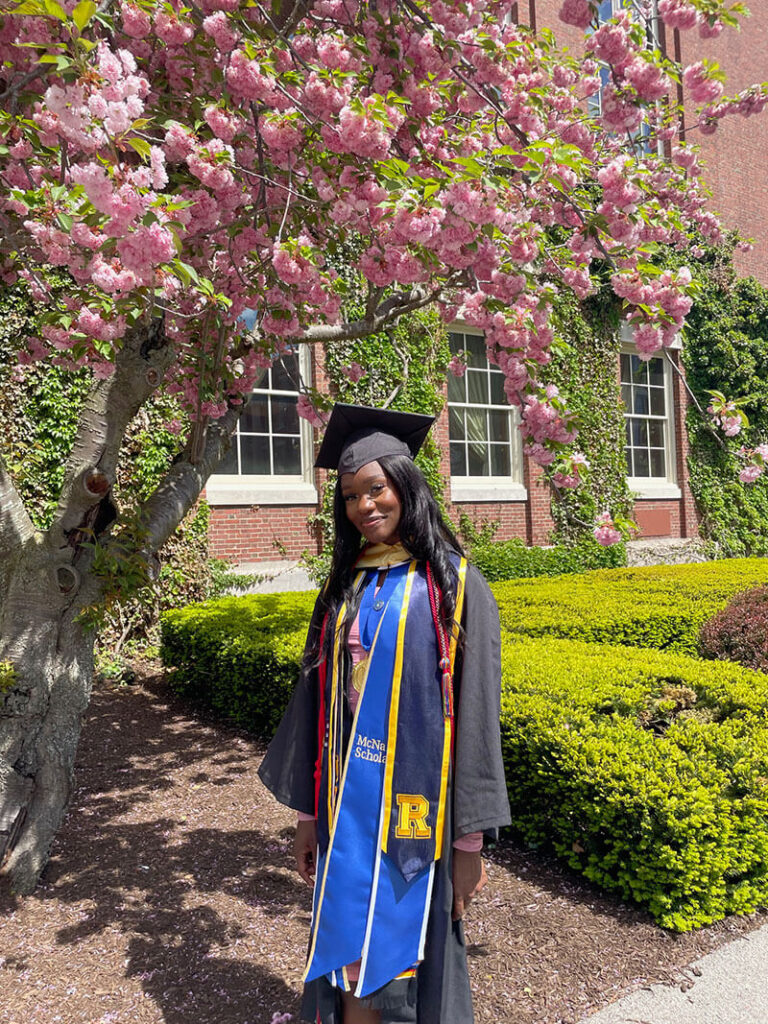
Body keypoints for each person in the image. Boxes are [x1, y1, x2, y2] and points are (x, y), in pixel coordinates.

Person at [259, 403, 510, 1024]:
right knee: (347, 948)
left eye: (376, 489)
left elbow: (476, 715)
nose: (364, 506)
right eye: (349, 496)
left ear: (405, 484)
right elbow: (314, 705)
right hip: (347, 805)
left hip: (414, 813)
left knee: (402, 964)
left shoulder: (452, 584)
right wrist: (308, 816)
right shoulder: (344, 583)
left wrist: (469, 841)